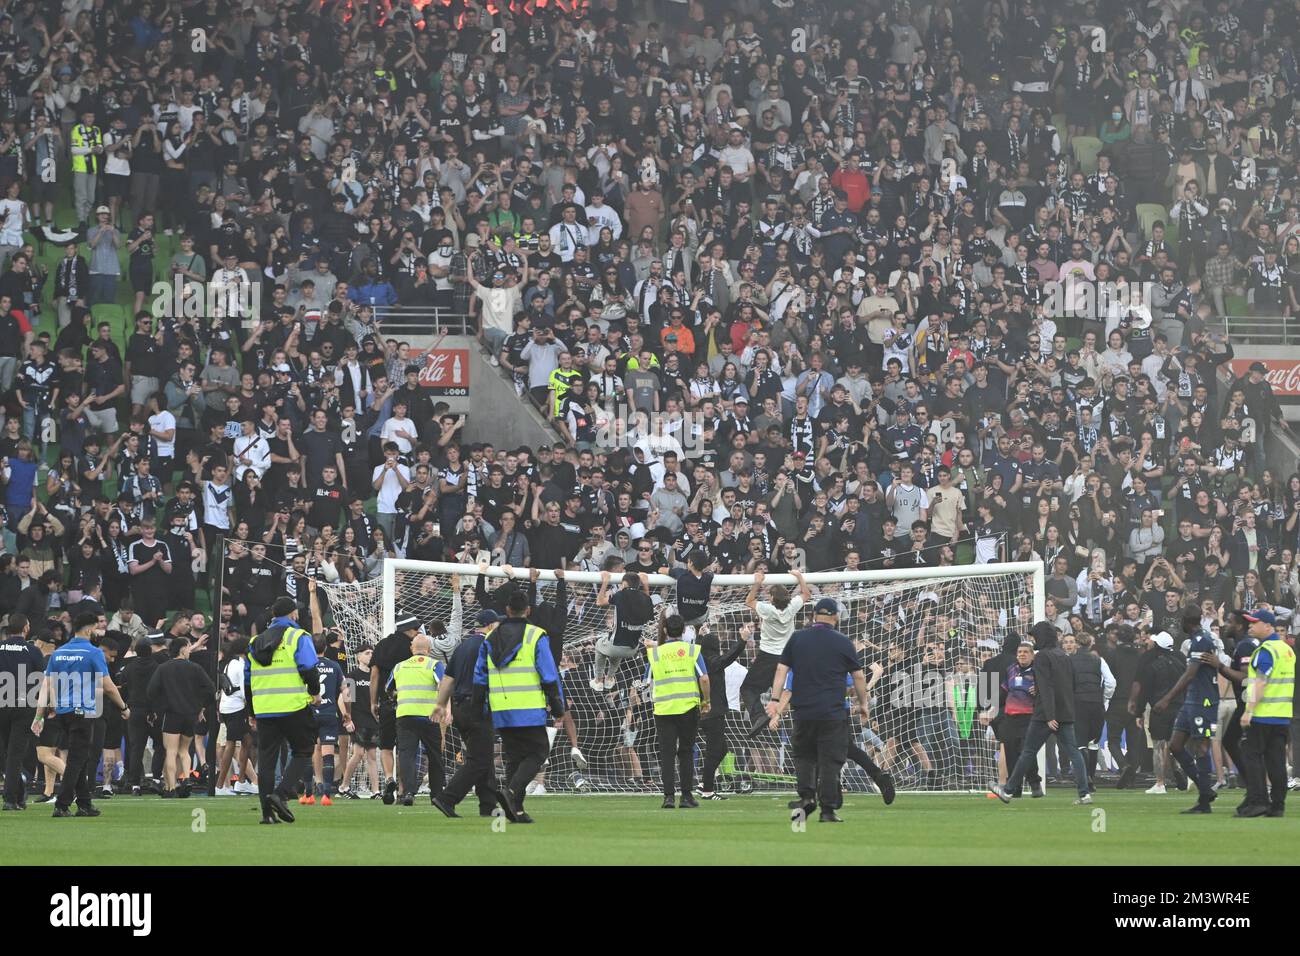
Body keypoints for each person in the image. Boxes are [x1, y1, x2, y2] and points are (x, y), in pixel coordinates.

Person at [766, 597, 870, 823]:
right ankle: (828, 810)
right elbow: (858, 676)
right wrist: (863, 703)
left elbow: (781, 670)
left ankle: (806, 798)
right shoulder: (843, 642)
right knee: (829, 760)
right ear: (836, 617)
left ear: (814, 616)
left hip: (803, 711)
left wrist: (775, 699)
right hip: (832, 712)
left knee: (804, 756)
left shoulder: (797, 639)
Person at [473, 590, 566, 823]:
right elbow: (548, 674)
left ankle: (516, 810)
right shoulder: (535, 635)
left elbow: (479, 677)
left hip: (501, 709)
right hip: (529, 707)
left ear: (507, 610)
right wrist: (557, 707)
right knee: (539, 752)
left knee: (514, 758)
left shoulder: (490, 638)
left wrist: (478, 708)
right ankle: (511, 792)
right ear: (528, 610)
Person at [32, 612, 129, 818]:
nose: (96, 632)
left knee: (81, 757)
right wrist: (123, 707)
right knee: (77, 759)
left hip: (61, 712)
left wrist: (38, 716)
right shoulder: (93, 653)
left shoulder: (59, 653)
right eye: (95, 628)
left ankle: (85, 804)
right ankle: (62, 804)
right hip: (82, 711)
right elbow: (109, 686)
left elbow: (46, 685)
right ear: (87, 629)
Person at [990, 621, 1092, 806]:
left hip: (1046, 714)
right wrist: (1065, 711)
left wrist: (1050, 715)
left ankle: (1008, 791)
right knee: (1074, 752)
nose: (1032, 639)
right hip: (1066, 713)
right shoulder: (1064, 655)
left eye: (1034, 636)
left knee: (1028, 752)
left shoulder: (1043, 656)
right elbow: (1072, 685)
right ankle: (1085, 794)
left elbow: (1045, 687)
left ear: (1042, 636)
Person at [246, 585, 322, 825]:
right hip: (293, 706)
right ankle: (281, 794)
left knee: (266, 761)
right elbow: (309, 668)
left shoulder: (255, 642)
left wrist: (251, 711)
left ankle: (266, 814)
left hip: (264, 708)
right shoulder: (298, 637)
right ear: (293, 615)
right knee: (303, 750)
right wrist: (314, 691)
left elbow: (247, 681)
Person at [431, 610, 511, 819]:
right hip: (478, 706)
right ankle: (447, 797)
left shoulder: (463, 646)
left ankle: (488, 805)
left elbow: (448, 679)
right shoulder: (490, 645)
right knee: (479, 759)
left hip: (459, 707)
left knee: (482, 755)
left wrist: (441, 705)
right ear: (491, 626)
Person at [1153, 612, 1222, 813]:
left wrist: (1167, 698)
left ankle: (1204, 802)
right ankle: (1205, 790)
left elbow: (1191, 673)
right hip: (1192, 699)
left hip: (1204, 701)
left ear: (1187, 621)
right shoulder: (1197, 640)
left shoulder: (1201, 640)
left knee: (1201, 747)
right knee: (1175, 745)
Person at [1233, 609, 1294, 817]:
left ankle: (1258, 801)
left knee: (1252, 756)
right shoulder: (1286, 650)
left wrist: (1248, 711)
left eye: (1254, 622)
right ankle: (1278, 805)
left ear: (1267, 626)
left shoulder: (1265, 651)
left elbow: (1260, 682)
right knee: (1276, 761)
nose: (1250, 626)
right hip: (1282, 715)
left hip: (1262, 714)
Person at [646, 610, 709, 808]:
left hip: (663, 709)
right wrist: (706, 701)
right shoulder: (692, 650)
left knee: (666, 753)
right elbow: (704, 678)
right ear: (683, 631)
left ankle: (668, 797)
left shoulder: (655, 653)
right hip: (688, 707)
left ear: (664, 630)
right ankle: (687, 796)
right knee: (686, 751)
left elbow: (647, 681)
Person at [146, 634, 215, 797]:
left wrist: (157, 708)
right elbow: (211, 689)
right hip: (190, 714)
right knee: (184, 751)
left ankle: (170, 787)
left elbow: (151, 691)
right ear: (183, 649)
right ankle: (187, 778)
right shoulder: (195, 668)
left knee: (170, 751)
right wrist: (201, 707)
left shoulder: (163, 668)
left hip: (171, 714)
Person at [742, 569, 810, 726]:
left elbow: (749, 601)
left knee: (749, 688)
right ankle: (780, 720)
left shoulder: (768, 609)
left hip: (767, 655)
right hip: (787, 657)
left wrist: (757, 583)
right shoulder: (792, 607)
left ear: (772, 597)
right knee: (784, 692)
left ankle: (759, 717)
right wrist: (799, 576)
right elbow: (806, 594)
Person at [388, 633, 446, 807]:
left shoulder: (399, 667)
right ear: (428, 650)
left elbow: (388, 688)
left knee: (407, 755)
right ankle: (437, 795)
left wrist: (398, 696)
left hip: (405, 715)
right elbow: (443, 685)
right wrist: (445, 708)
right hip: (430, 716)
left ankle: (408, 792)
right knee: (435, 755)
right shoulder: (434, 664)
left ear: (412, 649)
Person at [369, 612, 419, 804]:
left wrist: (373, 701)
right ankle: (403, 789)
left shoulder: (382, 645)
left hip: (386, 703)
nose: (417, 632)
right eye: (415, 629)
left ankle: (389, 777)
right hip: (406, 703)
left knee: (387, 745)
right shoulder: (412, 648)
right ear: (408, 629)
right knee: (405, 749)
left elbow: (374, 674)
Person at [304, 630, 351, 806]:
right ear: (325, 647)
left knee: (308, 751)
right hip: (330, 713)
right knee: (328, 753)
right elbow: (346, 691)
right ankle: (326, 796)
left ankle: (308, 794)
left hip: (308, 713)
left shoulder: (305, 666)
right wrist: (347, 713)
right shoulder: (335, 666)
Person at [0, 614, 42, 810]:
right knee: (16, 753)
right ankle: (11, 799)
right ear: (26, 628)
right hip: (24, 704)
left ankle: (17, 794)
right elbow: (42, 681)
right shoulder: (33, 651)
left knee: (7, 753)